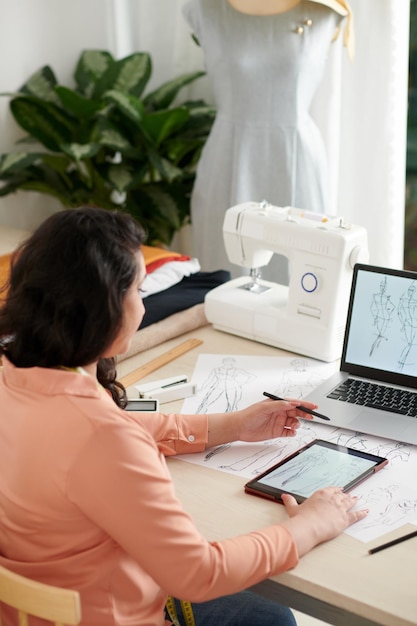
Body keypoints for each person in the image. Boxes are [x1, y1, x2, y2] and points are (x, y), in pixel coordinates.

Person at [0, 207, 367, 626]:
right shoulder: (102, 438)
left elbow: (110, 434)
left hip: (33, 610)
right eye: (139, 291)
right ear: (103, 311)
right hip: (112, 612)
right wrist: (312, 527)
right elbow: (199, 574)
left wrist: (228, 426)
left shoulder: (17, 382)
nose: (142, 304)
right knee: (273, 619)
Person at [182, 0, 353, 279]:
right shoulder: (204, 8)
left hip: (298, 161)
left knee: (305, 277)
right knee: (225, 278)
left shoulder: (326, 12)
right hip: (228, 159)